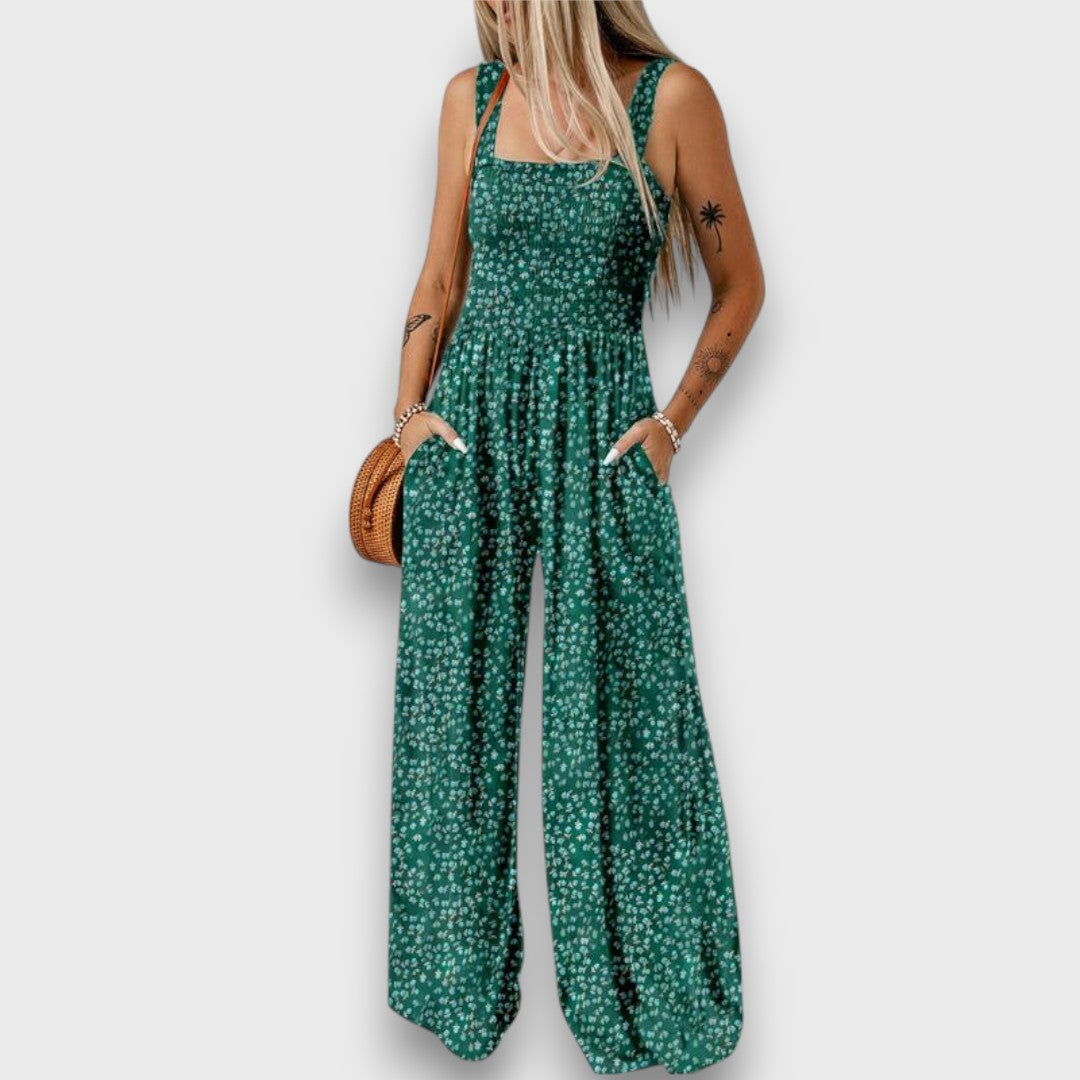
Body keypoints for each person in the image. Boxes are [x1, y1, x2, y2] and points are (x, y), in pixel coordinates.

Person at [386, 1, 765, 1072]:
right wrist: (408, 421)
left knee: (624, 715)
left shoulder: (671, 100)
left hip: (603, 433)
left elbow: (742, 286)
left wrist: (670, 429)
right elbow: (441, 276)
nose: (493, 7)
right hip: (469, 429)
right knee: (450, 716)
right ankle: (455, 992)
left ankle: (644, 998)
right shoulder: (472, 101)